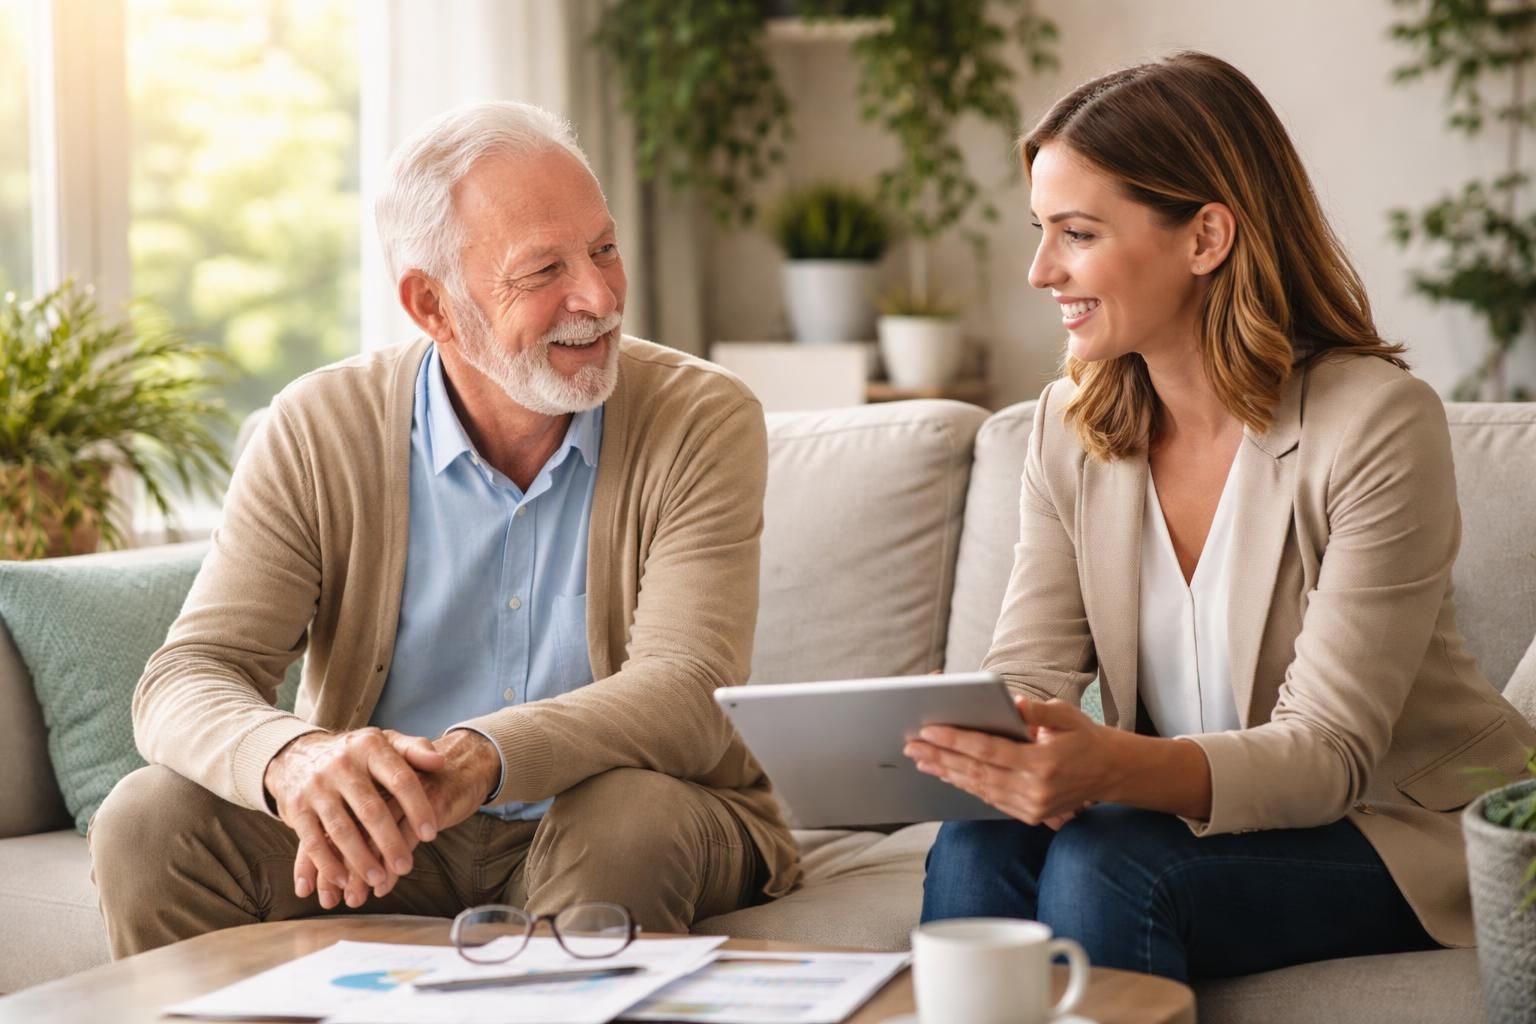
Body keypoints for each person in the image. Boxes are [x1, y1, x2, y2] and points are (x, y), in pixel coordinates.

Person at [89, 100, 800, 957]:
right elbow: (188, 675)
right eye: (544, 270)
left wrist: (483, 757)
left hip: (619, 811)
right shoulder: (318, 426)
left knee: (625, 820)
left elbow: (688, 690)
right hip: (396, 842)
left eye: (604, 249)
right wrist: (293, 759)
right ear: (432, 304)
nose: (600, 296)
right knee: (148, 821)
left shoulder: (701, 417)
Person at [906, 51, 1536, 982]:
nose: (1040, 271)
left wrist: (1107, 765)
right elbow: (1029, 672)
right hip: (1199, 814)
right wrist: (985, 740)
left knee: (1110, 863)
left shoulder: (1376, 422)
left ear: (1206, 237)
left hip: (1397, 824)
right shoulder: (1069, 426)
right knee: (977, 840)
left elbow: (1327, 754)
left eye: (1077, 233)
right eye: (1042, 231)